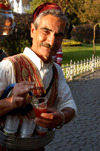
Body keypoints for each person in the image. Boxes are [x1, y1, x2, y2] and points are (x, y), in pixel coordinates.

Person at [0, 2, 77, 151]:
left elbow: (69, 104)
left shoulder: (56, 71)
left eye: (58, 35)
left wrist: (61, 117)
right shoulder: (8, 66)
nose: (52, 41)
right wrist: (10, 102)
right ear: (32, 30)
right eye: (46, 31)